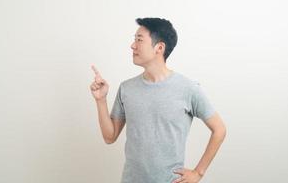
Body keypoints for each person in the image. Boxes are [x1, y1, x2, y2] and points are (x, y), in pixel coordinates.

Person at [90, 17, 226, 183]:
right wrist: (101, 100)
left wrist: (198, 172)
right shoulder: (126, 88)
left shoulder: (188, 88)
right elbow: (109, 137)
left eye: (139, 40)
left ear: (159, 47)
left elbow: (219, 129)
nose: (132, 45)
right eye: (134, 40)